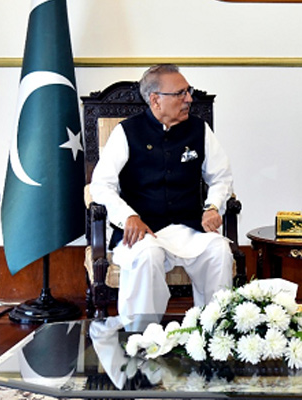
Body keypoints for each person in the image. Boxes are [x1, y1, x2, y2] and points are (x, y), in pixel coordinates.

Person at [90, 64, 234, 326]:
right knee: (147, 256)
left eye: (188, 91)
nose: (189, 98)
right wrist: (128, 216)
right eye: (180, 93)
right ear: (156, 99)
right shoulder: (126, 132)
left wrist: (213, 206)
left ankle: (212, 333)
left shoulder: (199, 130)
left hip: (189, 228)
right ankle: (141, 338)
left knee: (219, 250)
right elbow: (101, 185)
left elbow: (221, 176)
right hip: (143, 232)